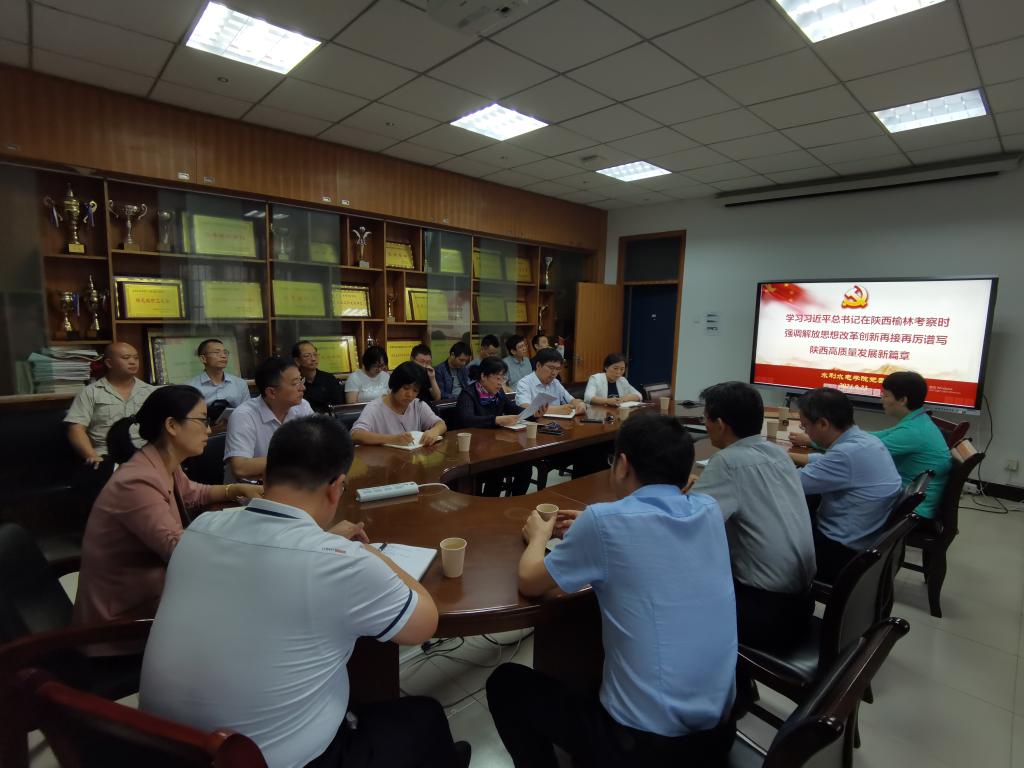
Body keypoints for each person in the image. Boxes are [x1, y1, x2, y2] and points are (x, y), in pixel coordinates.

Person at [139, 416, 469, 768]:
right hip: (272, 760)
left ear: (267, 475)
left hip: (161, 749)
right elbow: (424, 624)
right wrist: (368, 553)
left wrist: (325, 542)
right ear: (336, 487)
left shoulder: (201, 528)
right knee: (426, 716)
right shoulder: (341, 562)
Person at [488, 412, 736, 767]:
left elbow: (530, 581)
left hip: (646, 747)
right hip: (719, 733)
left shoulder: (604, 523)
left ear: (621, 465)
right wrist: (596, 522)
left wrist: (538, 536)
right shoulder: (708, 509)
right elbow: (648, 528)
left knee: (505, 685)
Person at [73, 385, 262, 632]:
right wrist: (247, 546)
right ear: (172, 425)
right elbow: (177, 548)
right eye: (202, 421)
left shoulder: (161, 462)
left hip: (157, 594)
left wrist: (235, 489)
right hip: (123, 623)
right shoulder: (137, 481)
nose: (208, 430)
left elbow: (193, 493)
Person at [687, 382, 815, 649]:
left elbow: (688, 526)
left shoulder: (728, 462)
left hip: (764, 610)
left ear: (720, 424)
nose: (705, 425)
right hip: (802, 600)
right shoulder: (778, 453)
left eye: (705, 419)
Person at [791, 388, 902, 582]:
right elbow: (829, 462)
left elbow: (791, 485)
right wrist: (789, 456)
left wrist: (769, 463)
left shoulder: (845, 454)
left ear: (823, 424)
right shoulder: (865, 440)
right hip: (863, 539)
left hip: (839, 551)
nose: (805, 431)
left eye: (805, 425)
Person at [64, 342, 157, 504]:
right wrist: (91, 456)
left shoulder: (151, 392)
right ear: (109, 363)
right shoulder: (91, 393)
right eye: (126, 357)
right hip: (107, 457)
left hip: (145, 454)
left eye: (135, 358)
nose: (133, 361)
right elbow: (76, 429)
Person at [871, 371, 951, 519]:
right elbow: (878, 436)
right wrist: (843, 433)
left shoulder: (913, 432)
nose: (881, 400)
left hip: (910, 511)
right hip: (908, 499)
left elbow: (864, 450)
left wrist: (833, 438)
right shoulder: (918, 420)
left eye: (886, 395)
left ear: (902, 400)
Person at [224, 357, 314, 483]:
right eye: (295, 383)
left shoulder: (302, 406)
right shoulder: (244, 415)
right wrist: (296, 460)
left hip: (292, 484)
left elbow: (320, 444)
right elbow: (240, 467)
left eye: (301, 380)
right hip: (251, 491)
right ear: (271, 392)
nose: (303, 388)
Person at [456, 357, 531, 496]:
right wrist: (497, 420)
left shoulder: (499, 393)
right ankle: (489, 506)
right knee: (497, 469)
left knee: (525, 466)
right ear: (483, 376)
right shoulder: (468, 394)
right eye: (497, 378)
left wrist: (532, 412)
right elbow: (467, 420)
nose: (500, 383)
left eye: (503, 378)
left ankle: (515, 502)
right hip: (475, 449)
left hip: (496, 445)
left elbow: (512, 409)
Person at [350, 362, 447, 447]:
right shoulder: (375, 408)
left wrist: (434, 431)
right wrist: (393, 439)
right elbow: (355, 435)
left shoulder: (417, 404)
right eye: (405, 388)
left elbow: (441, 424)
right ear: (394, 384)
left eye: (415, 390)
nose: (410, 395)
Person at [515, 348, 585, 416]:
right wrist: (557, 410)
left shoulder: (555, 383)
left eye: (557, 369)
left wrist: (580, 404)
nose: (554, 373)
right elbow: (525, 408)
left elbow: (571, 400)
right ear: (538, 365)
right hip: (535, 423)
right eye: (551, 368)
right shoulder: (524, 383)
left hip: (556, 422)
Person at [186, 338, 250, 411]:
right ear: (203, 358)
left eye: (225, 352)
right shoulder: (190, 387)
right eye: (216, 352)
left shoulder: (240, 384)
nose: (223, 356)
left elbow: (247, 412)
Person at [293, 340, 346, 414]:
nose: (313, 359)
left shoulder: (329, 379)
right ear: (297, 361)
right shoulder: (294, 382)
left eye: (315, 354)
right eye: (307, 356)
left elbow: (338, 407)